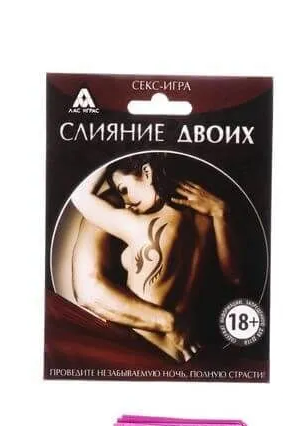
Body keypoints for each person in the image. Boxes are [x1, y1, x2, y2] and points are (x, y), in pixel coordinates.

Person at [70, 154, 240, 362]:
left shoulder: (138, 225)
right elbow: (234, 276)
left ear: (147, 172)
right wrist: (220, 212)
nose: (126, 203)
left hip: (145, 352)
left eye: (124, 189)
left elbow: (79, 196)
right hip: (188, 353)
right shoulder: (207, 220)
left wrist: (110, 154)